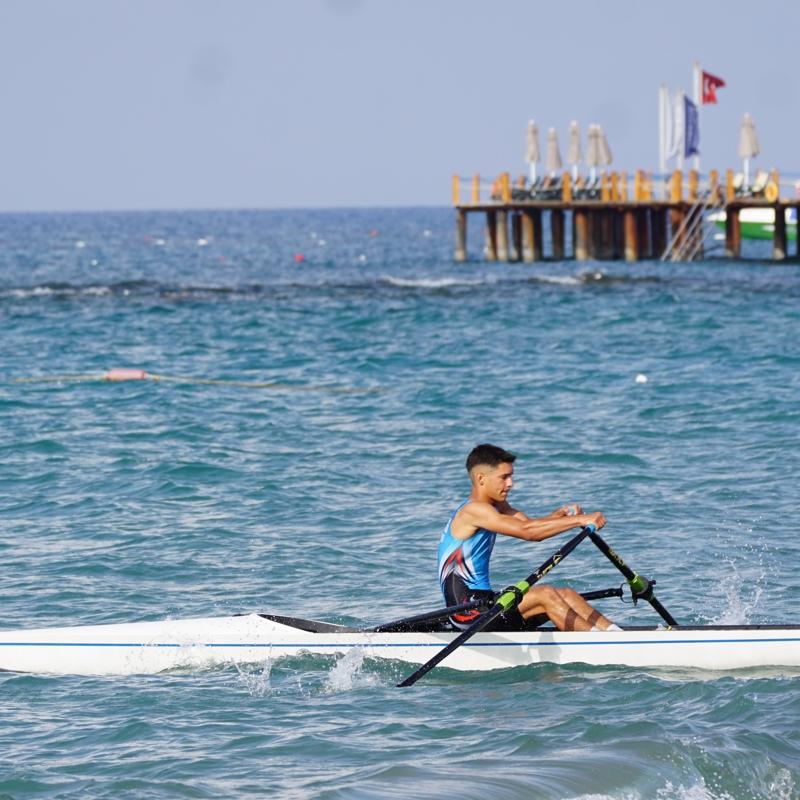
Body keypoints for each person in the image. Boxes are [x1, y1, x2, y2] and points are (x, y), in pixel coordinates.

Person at [438, 443, 621, 632]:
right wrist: (580, 520)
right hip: (467, 613)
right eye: (504, 477)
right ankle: (599, 641)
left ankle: (615, 634)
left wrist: (559, 517)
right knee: (545, 594)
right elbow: (529, 532)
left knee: (566, 594)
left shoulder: (496, 507)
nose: (510, 483)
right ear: (481, 478)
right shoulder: (473, 510)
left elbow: (528, 524)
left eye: (511, 476)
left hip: (485, 603)